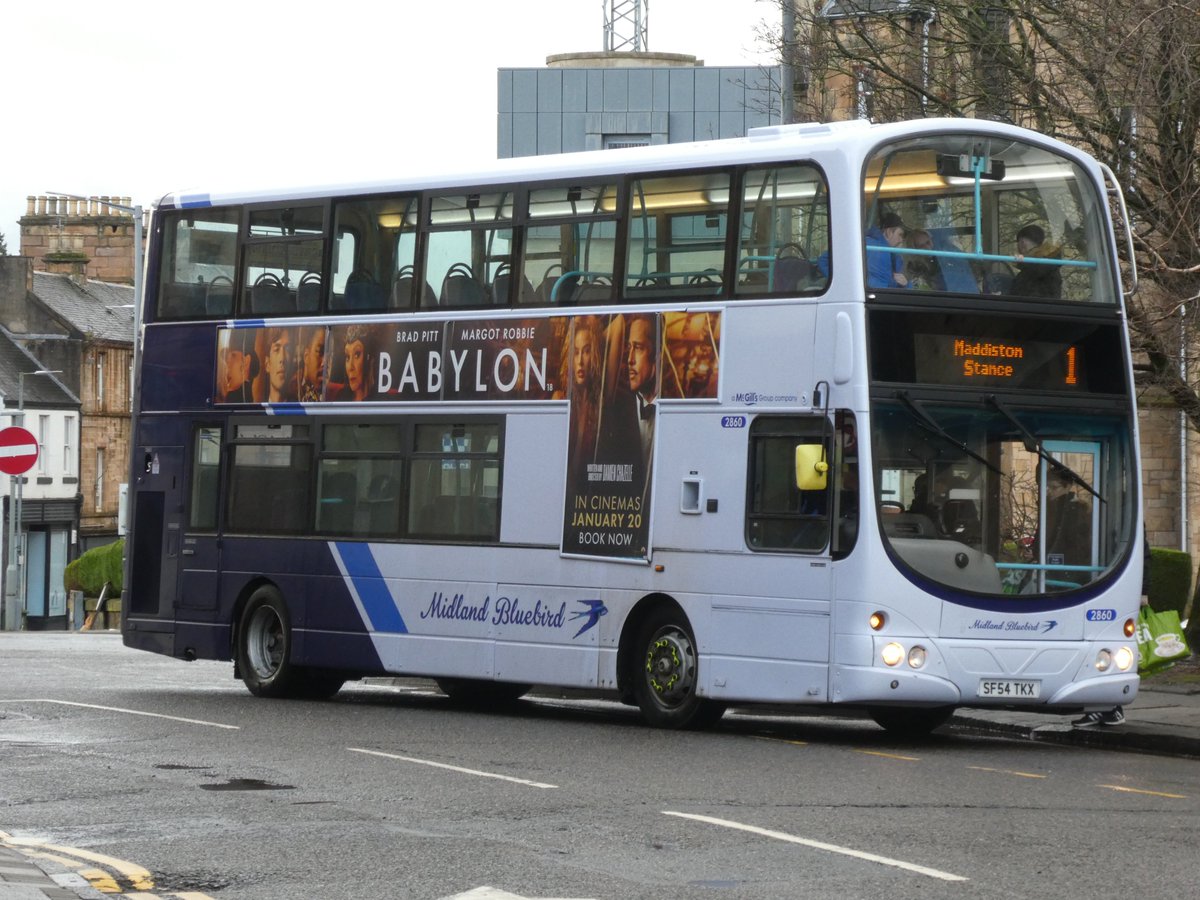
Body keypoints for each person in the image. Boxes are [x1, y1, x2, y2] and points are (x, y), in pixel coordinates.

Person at [1074, 536, 1151, 727]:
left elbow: (1142, 556)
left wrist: (1143, 591)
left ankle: (1110, 709)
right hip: (1098, 582)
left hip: (1113, 586)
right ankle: (1105, 710)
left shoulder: (1127, 520)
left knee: (1108, 647)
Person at [1009, 223, 1062, 299]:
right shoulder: (1029, 269)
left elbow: (1039, 270)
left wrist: (1022, 262)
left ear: (1023, 243)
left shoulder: (1047, 262)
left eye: (1020, 242)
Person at [865, 211, 908, 289]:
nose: (901, 240)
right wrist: (905, 285)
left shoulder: (887, 251)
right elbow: (882, 287)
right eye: (900, 235)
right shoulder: (879, 251)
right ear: (889, 232)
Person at [219, 329, 259, 403]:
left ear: (246, 362)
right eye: (227, 358)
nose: (228, 362)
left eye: (233, 356)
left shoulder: (237, 397)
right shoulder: (230, 395)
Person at [262, 327, 294, 403]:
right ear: (267, 364)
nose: (282, 358)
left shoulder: (300, 410)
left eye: (288, 350)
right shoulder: (257, 409)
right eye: (276, 349)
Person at [297, 326, 326, 403]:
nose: (325, 362)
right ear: (306, 356)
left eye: (329, 355)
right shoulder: (291, 390)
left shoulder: (334, 393)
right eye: (320, 352)